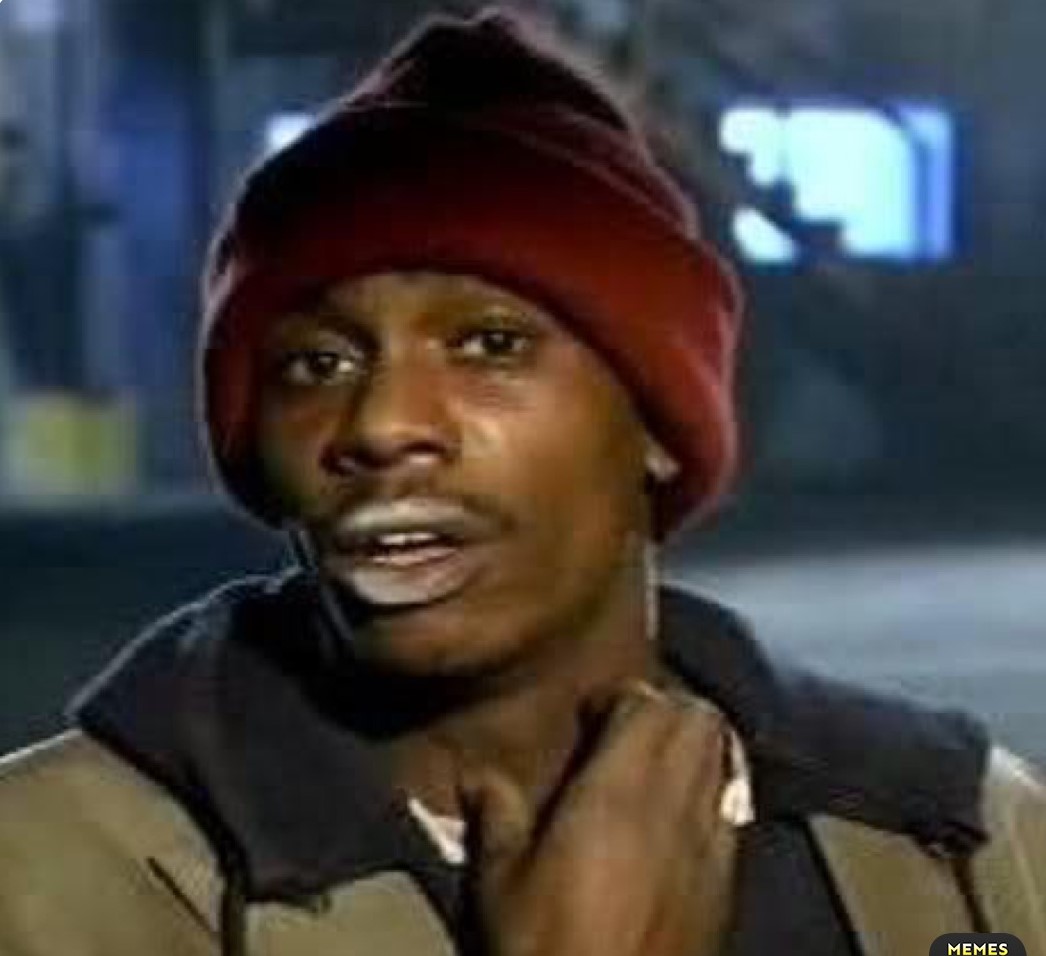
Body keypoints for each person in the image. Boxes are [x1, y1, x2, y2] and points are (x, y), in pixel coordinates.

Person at [0, 8, 1042, 956]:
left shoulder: (959, 834)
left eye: (491, 344)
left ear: (657, 426)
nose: (381, 425)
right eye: (317, 363)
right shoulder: (48, 876)